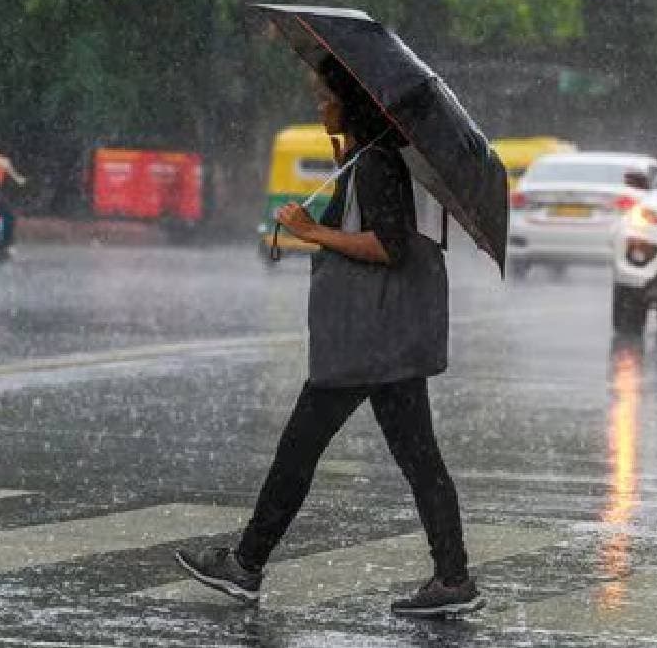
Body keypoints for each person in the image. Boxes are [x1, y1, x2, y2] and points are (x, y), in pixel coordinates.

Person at [174, 57, 482, 618]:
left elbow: (388, 245)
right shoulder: (367, 160)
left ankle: (246, 564)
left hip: (366, 338)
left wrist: (311, 231)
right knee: (417, 459)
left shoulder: (376, 165)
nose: (319, 108)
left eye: (324, 99)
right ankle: (453, 577)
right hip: (382, 339)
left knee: (301, 449)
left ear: (351, 104)